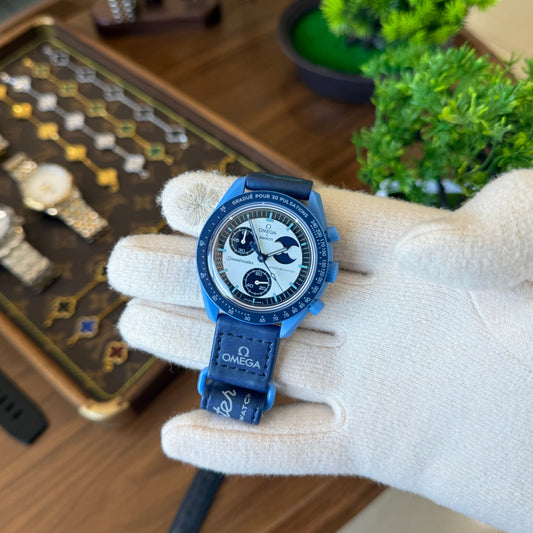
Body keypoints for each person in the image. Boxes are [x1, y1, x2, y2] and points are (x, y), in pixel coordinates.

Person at [107, 169, 532, 533]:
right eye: (248, 247)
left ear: (321, 272)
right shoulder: (233, 260)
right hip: (239, 304)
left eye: (279, 256)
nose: (261, 258)